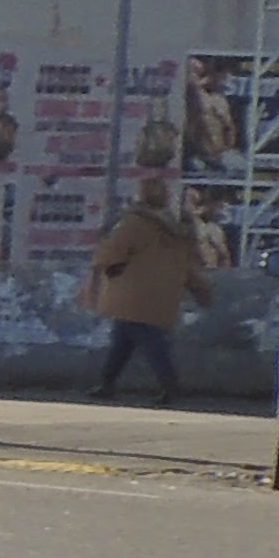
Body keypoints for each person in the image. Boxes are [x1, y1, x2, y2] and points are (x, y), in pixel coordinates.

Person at [84, 171, 206, 401]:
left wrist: (104, 263)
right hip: (162, 295)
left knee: (150, 343)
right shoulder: (174, 228)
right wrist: (199, 290)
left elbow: (111, 253)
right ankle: (106, 384)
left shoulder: (133, 224)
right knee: (122, 341)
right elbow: (188, 263)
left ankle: (170, 388)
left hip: (132, 294)